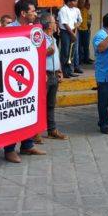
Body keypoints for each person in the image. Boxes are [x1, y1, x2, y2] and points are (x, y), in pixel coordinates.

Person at [3, 0, 46, 161]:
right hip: (13, 78)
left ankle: (27, 145)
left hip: (30, 77)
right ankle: (9, 149)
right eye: (33, 11)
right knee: (14, 114)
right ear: (23, 13)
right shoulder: (8, 30)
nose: (35, 14)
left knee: (28, 110)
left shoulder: (34, 30)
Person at [40, 13, 69, 141]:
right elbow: (34, 57)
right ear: (48, 25)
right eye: (54, 22)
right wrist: (46, 52)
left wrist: (60, 71)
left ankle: (52, 129)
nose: (56, 24)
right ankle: (35, 133)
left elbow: (56, 58)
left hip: (54, 74)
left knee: (51, 104)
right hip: (44, 75)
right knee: (41, 104)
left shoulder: (54, 39)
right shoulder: (39, 38)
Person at [58, 0, 80, 78]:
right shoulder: (63, 10)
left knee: (72, 52)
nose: (75, 2)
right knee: (66, 52)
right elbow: (65, 24)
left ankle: (70, 70)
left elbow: (76, 22)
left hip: (73, 31)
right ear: (69, 2)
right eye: (74, 1)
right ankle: (64, 71)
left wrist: (75, 32)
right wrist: (72, 34)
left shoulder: (74, 10)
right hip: (66, 32)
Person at [78, 0, 93, 64]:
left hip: (86, 30)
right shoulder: (77, 10)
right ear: (78, 3)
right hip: (78, 30)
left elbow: (89, 20)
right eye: (81, 3)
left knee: (86, 45)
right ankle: (80, 59)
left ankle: (86, 59)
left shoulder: (87, 11)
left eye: (83, 3)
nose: (82, 4)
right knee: (79, 46)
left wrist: (87, 27)